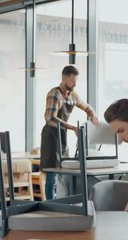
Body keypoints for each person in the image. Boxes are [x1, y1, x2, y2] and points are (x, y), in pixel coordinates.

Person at [40, 65, 98, 200]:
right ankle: (51, 204)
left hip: (62, 135)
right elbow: (50, 118)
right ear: (64, 78)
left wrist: (93, 115)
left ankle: (63, 202)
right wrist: (73, 128)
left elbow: (87, 107)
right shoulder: (54, 94)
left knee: (63, 169)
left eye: (76, 81)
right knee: (52, 173)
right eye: (72, 81)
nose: (74, 84)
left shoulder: (73, 95)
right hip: (51, 135)